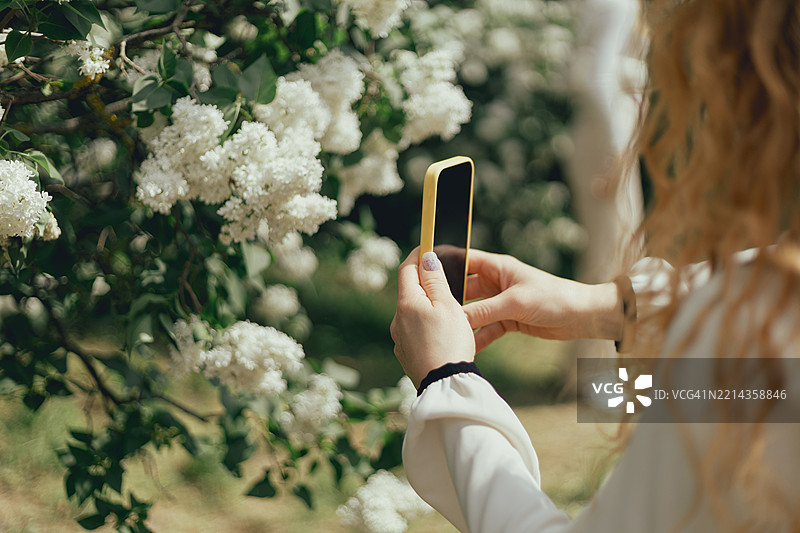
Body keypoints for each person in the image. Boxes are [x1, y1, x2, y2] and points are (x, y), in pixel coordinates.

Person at [390, 1, 800, 531]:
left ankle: (596, 385)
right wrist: (608, 306)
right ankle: (593, 381)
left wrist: (449, 380)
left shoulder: (749, 338)